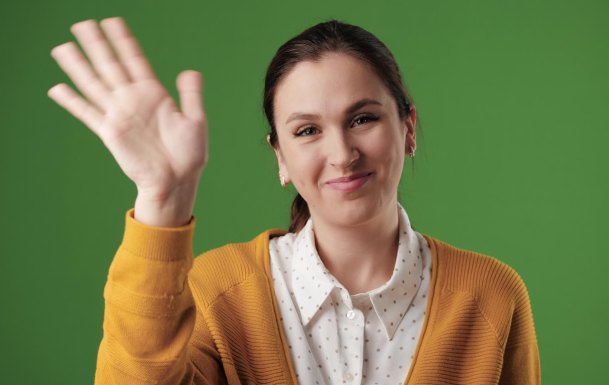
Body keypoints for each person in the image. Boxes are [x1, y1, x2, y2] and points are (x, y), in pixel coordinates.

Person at [48, 17, 540, 385]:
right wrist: (162, 196)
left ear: (408, 127)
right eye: (307, 131)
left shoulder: (492, 296)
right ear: (279, 156)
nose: (342, 154)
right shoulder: (216, 294)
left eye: (363, 118)